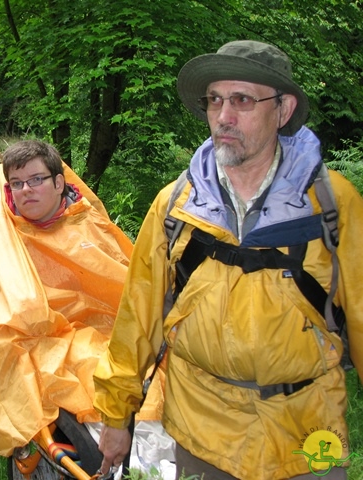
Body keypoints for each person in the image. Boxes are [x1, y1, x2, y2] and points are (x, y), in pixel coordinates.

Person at [93, 40, 363, 480]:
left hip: (309, 426)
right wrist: (116, 414)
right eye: (215, 100)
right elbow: (136, 318)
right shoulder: (176, 206)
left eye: (241, 100)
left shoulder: (332, 204)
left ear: (283, 108)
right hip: (203, 428)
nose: (223, 116)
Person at [0, 140, 133, 458]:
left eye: (36, 180)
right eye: (17, 184)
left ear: (59, 182)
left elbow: (124, 284)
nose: (26, 190)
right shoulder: (1, 240)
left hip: (101, 328)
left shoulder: (87, 223)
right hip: (39, 336)